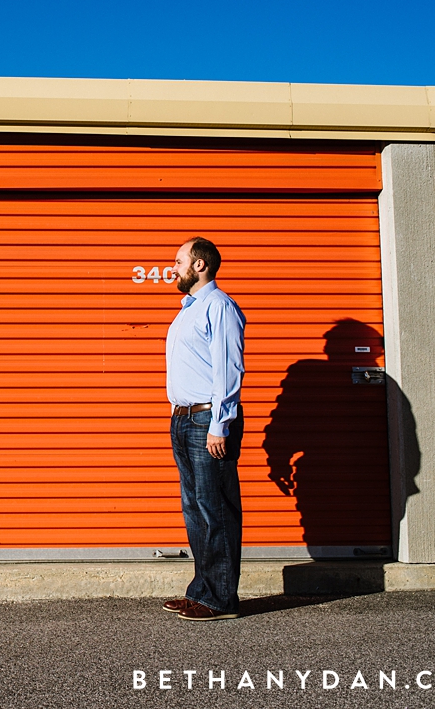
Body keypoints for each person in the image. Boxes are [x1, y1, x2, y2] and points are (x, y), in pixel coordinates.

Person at [161, 237, 245, 621]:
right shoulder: (188, 310)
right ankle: (203, 590)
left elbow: (229, 369)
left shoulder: (219, 306)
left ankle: (221, 600)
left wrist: (220, 425)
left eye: (178, 260)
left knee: (217, 511)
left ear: (199, 265)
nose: (172, 266)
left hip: (207, 421)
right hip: (183, 419)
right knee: (195, 510)